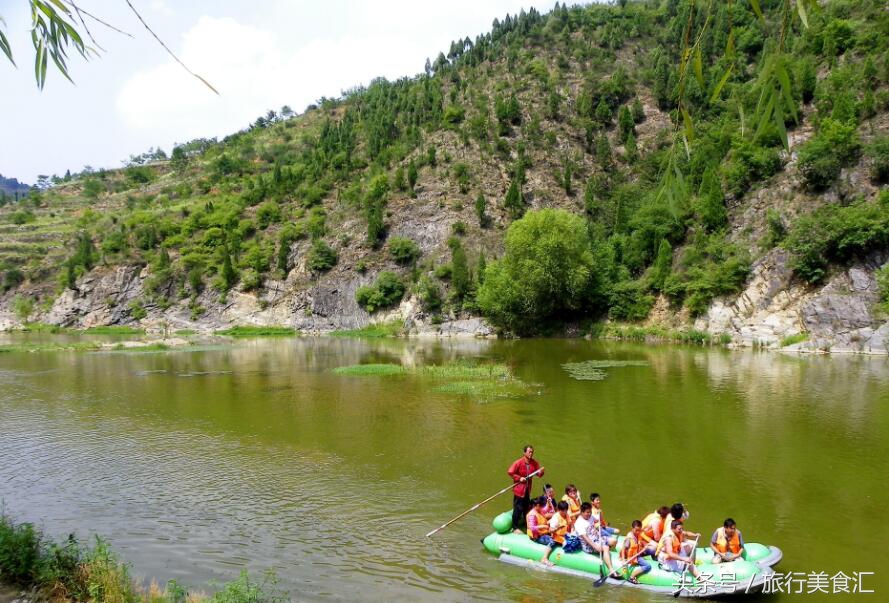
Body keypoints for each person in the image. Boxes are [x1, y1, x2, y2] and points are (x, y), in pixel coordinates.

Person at [572, 502, 619, 577]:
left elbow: (597, 519)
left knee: (614, 540)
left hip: (597, 538)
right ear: (582, 512)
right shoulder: (579, 523)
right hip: (588, 545)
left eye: (590, 512)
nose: (589, 514)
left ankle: (604, 552)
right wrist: (595, 546)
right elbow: (585, 538)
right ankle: (611, 570)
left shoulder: (590, 517)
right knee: (606, 547)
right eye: (587, 512)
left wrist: (599, 513)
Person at [507, 445, 544, 532]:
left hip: (527, 489)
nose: (531, 453)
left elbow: (538, 474)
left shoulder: (534, 463)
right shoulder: (518, 462)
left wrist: (541, 472)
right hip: (519, 490)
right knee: (518, 508)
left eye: (532, 452)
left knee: (526, 507)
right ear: (524, 453)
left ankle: (526, 523)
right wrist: (519, 478)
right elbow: (510, 472)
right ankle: (515, 527)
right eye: (529, 452)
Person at [620, 520, 653, 584]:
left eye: (639, 530)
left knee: (652, 550)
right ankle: (632, 576)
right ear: (632, 529)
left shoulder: (638, 534)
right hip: (633, 557)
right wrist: (624, 560)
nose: (638, 532)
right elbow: (624, 549)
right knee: (647, 566)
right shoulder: (629, 538)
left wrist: (645, 546)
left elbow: (640, 542)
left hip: (638, 552)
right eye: (636, 530)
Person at [526, 496, 556, 566]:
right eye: (542, 506)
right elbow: (531, 528)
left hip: (544, 532)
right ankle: (544, 558)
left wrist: (548, 503)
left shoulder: (539, 510)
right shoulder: (532, 515)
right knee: (554, 540)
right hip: (537, 537)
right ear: (537, 505)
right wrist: (544, 526)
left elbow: (545, 510)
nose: (543, 508)